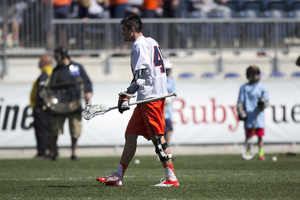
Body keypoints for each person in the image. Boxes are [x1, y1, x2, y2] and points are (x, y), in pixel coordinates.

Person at [96, 14, 179, 187]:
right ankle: (118, 176)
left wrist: (126, 95)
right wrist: (130, 95)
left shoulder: (139, 44)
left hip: (150, 98)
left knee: (158, 137)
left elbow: (141, 76)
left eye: (124, 30)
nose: (122, 34)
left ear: (131, 29)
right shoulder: (151, 41)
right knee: (130, 135)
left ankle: (171, 178)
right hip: (148, 96)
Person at [46, 47, 93, 161]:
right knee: (55, 130)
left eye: (56, 57)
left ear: (63, 55)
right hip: (59, 105)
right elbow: (50, 87)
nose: (55, 59)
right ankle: (52, 154)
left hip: (74, 103)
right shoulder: (56, 70)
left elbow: (87, 81)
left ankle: (73, 153)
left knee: (75, 130)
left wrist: (89, 92)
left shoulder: (77, 67)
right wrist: (48, 98)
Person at [237, 65, 269, 160]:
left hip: (259, 116)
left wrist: (262, 103)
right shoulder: (244, 88)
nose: (254, 76)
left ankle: (261, 153)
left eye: (256, 74)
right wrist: (241, 112)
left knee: (260, 136)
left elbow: (267, 102)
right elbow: (240, 102)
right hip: (249, 116)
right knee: (248, 137)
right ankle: (247, 152)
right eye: (252, 74)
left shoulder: (262, 87)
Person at [30, 55, 53, 157]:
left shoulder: (45, 74)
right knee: (49, 130)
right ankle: (52, 151)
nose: (38, 63)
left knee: (41, 130)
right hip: (48, 108)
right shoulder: (51, 73)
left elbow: (41, 92)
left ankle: (42, 151)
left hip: (42, 108)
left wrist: (39, 106)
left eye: (40, 61)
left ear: (44, 62)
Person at [164, 58, 176, 147]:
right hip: (161, 110)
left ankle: (166, 148)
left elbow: (174, 93)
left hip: (167, 111)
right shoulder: (159, 80)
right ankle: (164, 150)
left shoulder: (171, 80)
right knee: (163, 131)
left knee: (169, 129)